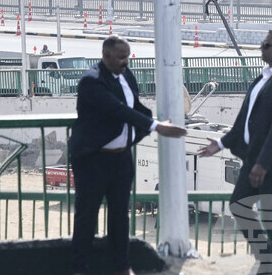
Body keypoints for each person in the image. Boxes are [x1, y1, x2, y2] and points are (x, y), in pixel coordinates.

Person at [69, 36, 186, 275]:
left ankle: (122, 267)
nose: (126, 62)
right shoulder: (91, 82)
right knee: (87, 217)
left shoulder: (126, 74)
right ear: (106, 56)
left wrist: (150, 122)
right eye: (121, 57)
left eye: (128, 56)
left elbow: (134, 106)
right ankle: (79, 269)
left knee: (120, 216)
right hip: (93, 159)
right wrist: (156, 127)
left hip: (121, 159)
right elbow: (116, 109)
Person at [199, 27, 272, 275]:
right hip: (253, 158)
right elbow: (244, 121)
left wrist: (263, 164)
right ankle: (270, 261)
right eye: (263, 43)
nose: (262, 47)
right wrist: (220, 143)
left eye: (267, 45)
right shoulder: (262, 79)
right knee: (239, 205)